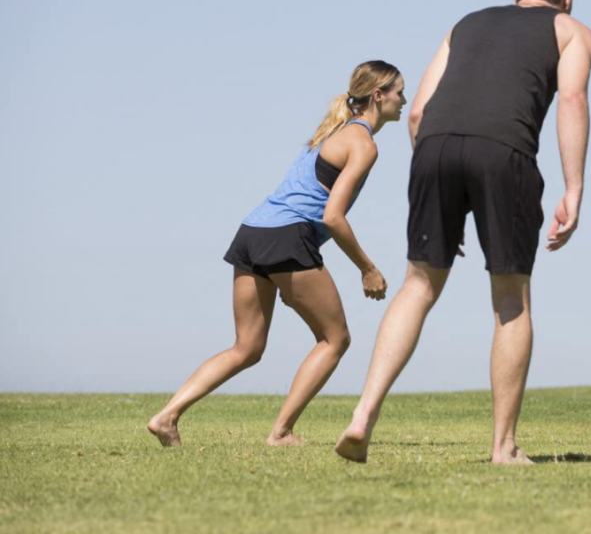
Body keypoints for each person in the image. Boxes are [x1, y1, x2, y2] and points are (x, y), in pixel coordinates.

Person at [335, 0, 591, 465]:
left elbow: (416, 115)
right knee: (511, 298)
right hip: (505, 153)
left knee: (418, 284)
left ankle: (363, 416)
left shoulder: (466, 24)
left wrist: (445, 189)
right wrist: (575, 188)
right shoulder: (573, 32)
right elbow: (572, 100)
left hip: (434, 148)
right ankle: (503, 447)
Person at [147, 61, 404, 447]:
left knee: (246, 347)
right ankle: (281, 432)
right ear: (379, 96)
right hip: (287, 237)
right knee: (335, 339)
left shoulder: (332, 129)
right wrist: (367, 268)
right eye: (400, 92)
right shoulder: (363, 143)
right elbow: (333, 217)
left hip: (253, 233)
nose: (405, 101)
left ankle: (166, 417)